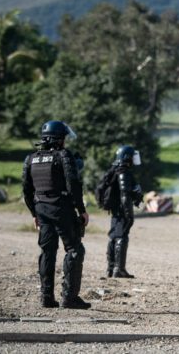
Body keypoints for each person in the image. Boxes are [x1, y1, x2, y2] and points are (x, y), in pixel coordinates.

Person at [21, 121, 91, 309]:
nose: (66, 142)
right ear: (59, 139)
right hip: (61, 209)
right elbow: (73, 185)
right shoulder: (63, 156)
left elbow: (26, 190)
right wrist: (81, 210)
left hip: (41, 209)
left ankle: (46, 297)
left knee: (47, 252)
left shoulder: (31, 159)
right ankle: (69, 298)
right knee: (75, 249)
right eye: (64, 138)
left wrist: (34, 213)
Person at [104, 145, 144, 279]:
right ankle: (118, 269)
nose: (133, 160)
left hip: (117, 210)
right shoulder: (123, 172)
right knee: (121, 237)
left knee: (114, 236)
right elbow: (124, 194)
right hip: (121, 210)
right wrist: (129, 214)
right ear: (127, 157)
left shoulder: (116, 170)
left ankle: (111, 269)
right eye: (132, 157)